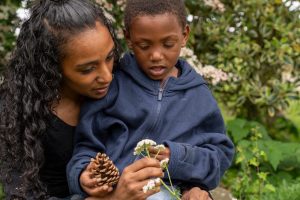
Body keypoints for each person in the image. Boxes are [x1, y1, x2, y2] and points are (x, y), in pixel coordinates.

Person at [0, 0, 210, 199]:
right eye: (88, 69)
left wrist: (193, 186)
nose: (108, 76)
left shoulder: (126, 87)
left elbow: (174, 143)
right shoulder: (16, 114)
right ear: (52, 67)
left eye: (109, 57)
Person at [67, 0, 235, 199]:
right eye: (144, 45)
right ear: (128, 38)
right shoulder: (111, 85)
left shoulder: (199, 96)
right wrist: (82, 175)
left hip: (166, 191)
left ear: (184, 35)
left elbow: (219, 156)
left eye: (168, 44)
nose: (156, 55)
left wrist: (176, 158)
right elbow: (85, 147)